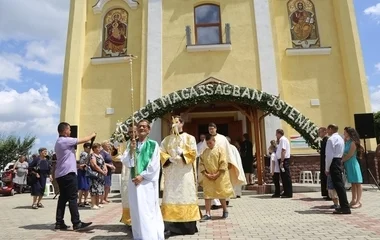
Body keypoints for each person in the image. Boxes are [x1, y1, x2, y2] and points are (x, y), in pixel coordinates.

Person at [121, 119, 164, 240]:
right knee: (136, 211)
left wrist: (142, 176)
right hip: (133, 182)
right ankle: (139, 236)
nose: (141, 128)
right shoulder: (131, 144)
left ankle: (150, 237)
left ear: (149, 130)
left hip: (147, 183)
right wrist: (131, 151)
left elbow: (154, 165)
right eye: (139, 126)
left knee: (147, 211)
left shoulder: (153, 145)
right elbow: (126, 162)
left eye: (144, 127)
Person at [160, 116, 200, 238]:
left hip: (184, 173)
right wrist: (168, 158)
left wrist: (182, 153)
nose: (174, 124)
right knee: (171, 197)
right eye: (173, 122)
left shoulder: (189, 138)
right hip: (172, 173)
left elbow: (194, 153)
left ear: (182, 123)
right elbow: (161, 152)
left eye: (177, 122)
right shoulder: (167, 140)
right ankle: (169, 227)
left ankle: (188, 226)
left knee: (185, 196)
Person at [54, 122, 95, 230]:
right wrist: (92, 135)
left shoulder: (59, 142)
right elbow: (83, 140)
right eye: (69, 130)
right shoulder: (65, 140)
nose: (70, 132)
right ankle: (76, 223)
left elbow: (66, 159)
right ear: (64, 131)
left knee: (63, 198)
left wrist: (78, 166)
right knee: (73, 197)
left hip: (61, 173)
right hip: (68, 174)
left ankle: (59, 222)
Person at [199, 123, 245, 208]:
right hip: (210, 166)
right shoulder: (206, 139)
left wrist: (229, 162)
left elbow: (228, 151)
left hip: (221, 165)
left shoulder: (223, 138)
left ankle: (225, 200)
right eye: (209, 129)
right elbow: (203, 152)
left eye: (212, 128)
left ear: (216, 129)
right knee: (211, 185)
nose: (211, 130)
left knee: (222, 184)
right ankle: (214, 203)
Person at [199, 134, 234, 221]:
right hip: (208, 176)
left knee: (221, 194)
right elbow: (201, 164)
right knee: (207, 195)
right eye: (207, 143)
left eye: (210, 143)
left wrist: (217, 174)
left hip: (219, 176)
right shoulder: (204, 152)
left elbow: (223, 163)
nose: (209, 145)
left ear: (214, 141)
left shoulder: (220, 150)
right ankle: (207, 213)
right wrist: (206, 174)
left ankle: (225, 210)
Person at [325, 124, 351, 214]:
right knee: (339, 185)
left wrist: (327, 168)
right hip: (338, 160)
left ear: (331, 129)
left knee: (338, 185)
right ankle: (344, 206)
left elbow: (329, 156)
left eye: (328, 129)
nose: (327, 131)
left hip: (334, 161)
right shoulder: (340, 138)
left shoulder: (331, 139)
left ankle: (345, 207)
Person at [342, 127, 363, 209]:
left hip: (352, 163)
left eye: (345, 132)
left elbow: (350, 154)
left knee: (357, 182)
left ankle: (358, 201)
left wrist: (341, 161)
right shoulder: (347, 142)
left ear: (349, 133)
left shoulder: (353, 142)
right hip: (347, 164)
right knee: (353, 183)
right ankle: (353, 199)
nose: (344, 133)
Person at [120, 125, 137, 226]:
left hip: (135, 171)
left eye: (133, 131)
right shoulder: (126, 144)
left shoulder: (142, 143)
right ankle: (128, 219)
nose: (132, 134)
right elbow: (120, 157)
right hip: (126, 172)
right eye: (130, 132)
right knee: (126, 194)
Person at [89, 143, 107, 210]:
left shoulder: (100, 156)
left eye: (100, 148)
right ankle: (93, 204)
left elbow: (104, 163)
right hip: (95, 175)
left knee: (99, 189)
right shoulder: (92, 155)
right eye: (98, 148)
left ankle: (97, 203)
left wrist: (105, 169)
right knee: (94, 189)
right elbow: (94, 165)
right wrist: (101, 171)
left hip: (101, 175)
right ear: (94, 148)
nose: (99, 149)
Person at [275, 129, 293, 198]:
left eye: (276, 134)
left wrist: (282, 161)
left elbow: (283, 151)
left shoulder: (283, 140)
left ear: (279, 133)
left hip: (284, 160)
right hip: (282, 160)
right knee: (283, 176)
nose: (276, 135)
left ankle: (288, 193)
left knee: (286, 176)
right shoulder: (281, 140)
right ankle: (285, 191)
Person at [77, 143, 91, 207]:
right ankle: (80, 201)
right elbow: (82, 163)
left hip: (86, 171)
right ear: (85, 148)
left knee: (87, 187)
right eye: (88, 147)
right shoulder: (84, 154)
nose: (89, 149)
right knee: (82, 187)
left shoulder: (88, 154)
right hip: (82, 171)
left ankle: (85, 200)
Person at [318, 127, 330, 200]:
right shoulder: (323, 140)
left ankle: (329, 194)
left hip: (326, 161)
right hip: (323, 160)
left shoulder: (327, 140)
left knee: (327, 178)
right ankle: (325, 193)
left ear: (325, 132)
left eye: (320, 132)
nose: (319, 134)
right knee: (324, 177)